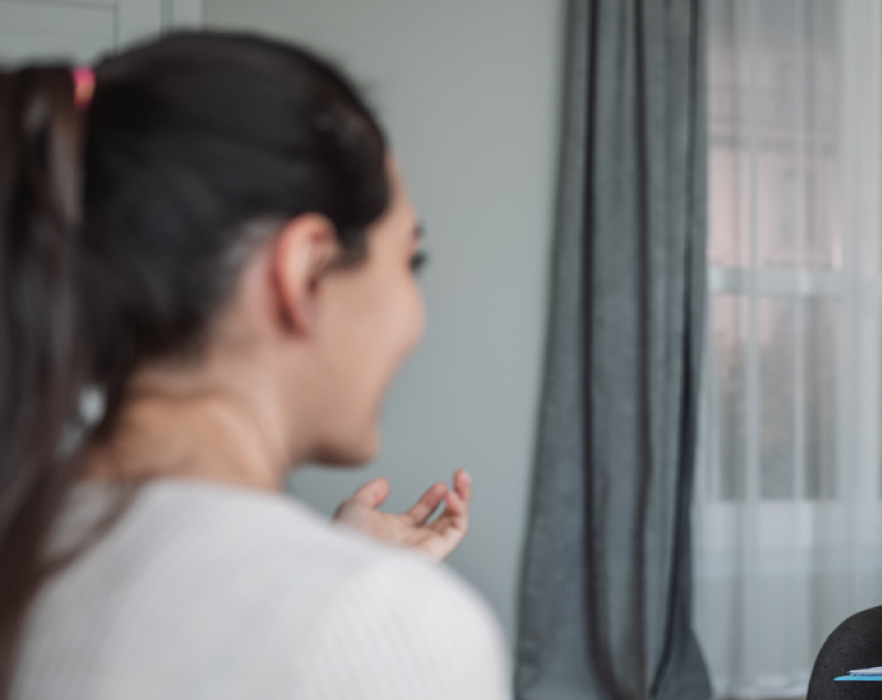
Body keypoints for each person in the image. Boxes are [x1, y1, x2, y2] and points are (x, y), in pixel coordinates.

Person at [0, 33, 507, 699]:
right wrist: (350, 599)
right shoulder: (395, 629)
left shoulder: (26, 548)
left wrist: (333, 566)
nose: (417, 313)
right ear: (305, 273)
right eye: (410, 262)